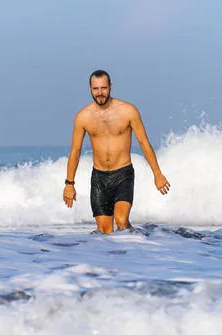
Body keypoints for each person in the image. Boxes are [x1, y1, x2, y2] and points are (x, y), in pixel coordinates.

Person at [62, 70, 170, 234]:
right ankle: (117, 258)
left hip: (123, 175)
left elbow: (144, 142)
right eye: (96, 89)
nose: (100, 93)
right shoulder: (83, 117)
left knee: (121, 222)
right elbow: (75, 150)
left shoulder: (128, 111)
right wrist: (69, 184)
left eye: (104, 88)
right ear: (90, 89)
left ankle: (140, 244)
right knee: (104, 232)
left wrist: (158, 174)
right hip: (99, 178)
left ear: (111, 87)